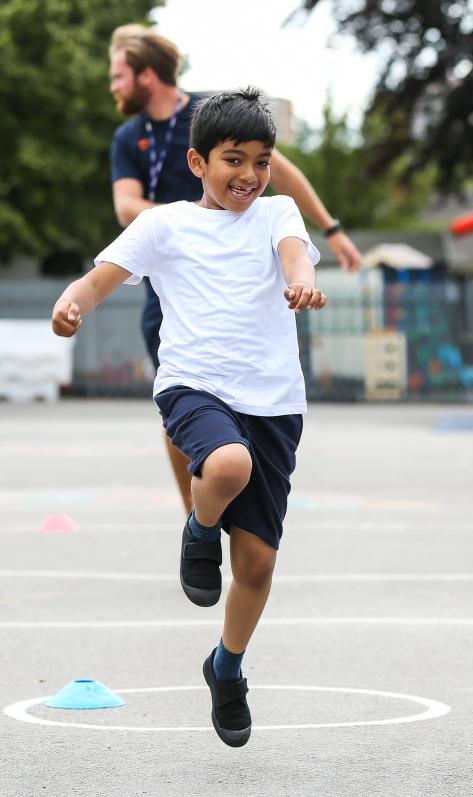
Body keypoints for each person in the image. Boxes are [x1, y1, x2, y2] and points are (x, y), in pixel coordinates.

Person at [54, 88, 324, 747]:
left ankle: (225, 665)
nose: (250, 175)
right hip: (193, 386)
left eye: (262, 161)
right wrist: (71, 302)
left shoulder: (277, 212)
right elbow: (99, 279)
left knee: (257, 565)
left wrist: (300, 280)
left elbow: (294, 253)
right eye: (235, 159)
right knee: (226, 464)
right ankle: (200, 526)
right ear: (198, 162)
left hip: (274, 402)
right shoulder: (163, 224)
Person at [107, 24, 359, 516]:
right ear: (196, 163)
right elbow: (125, 207)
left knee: (246, 406)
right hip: (175, 291)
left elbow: (279, 171)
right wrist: (191, 228)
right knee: (183, 407)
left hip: (243, 284)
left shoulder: (210, 113)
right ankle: (196, 519)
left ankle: (234, 496)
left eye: (119, 75)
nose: (113, 85)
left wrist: (331, 228)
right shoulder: (129, 137)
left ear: (147, 74)